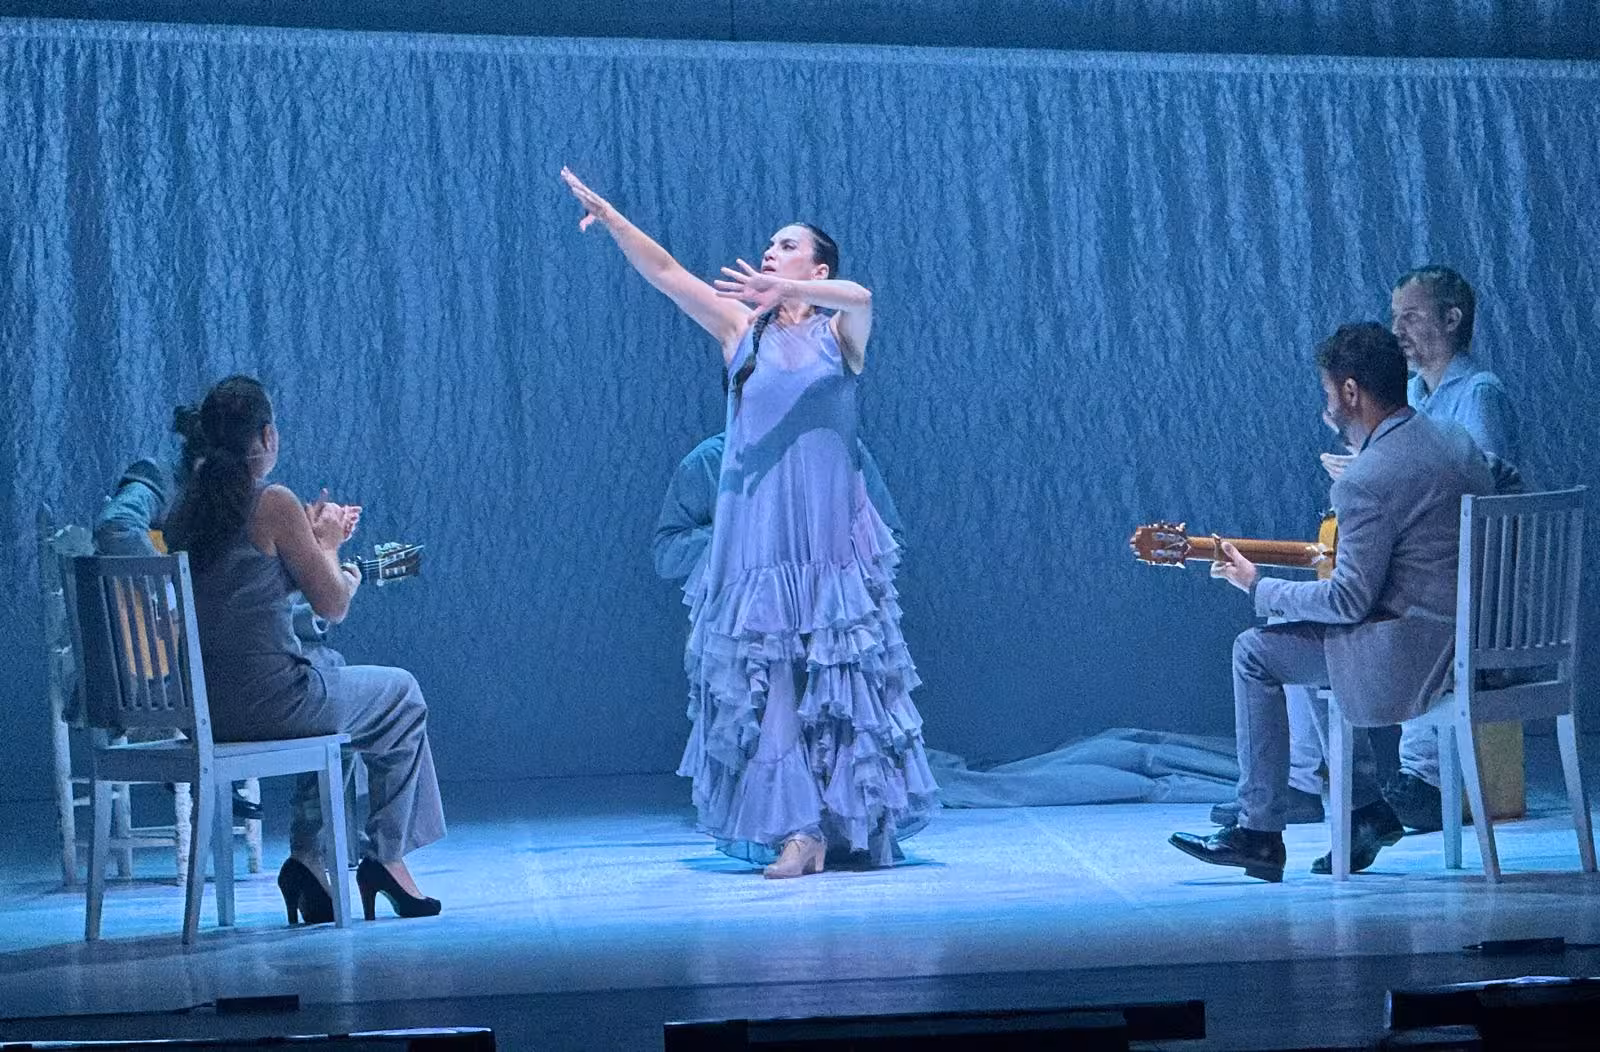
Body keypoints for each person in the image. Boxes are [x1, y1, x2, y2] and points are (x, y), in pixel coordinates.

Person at [561, 167, 937, 878]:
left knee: (838, 670)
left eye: (786, 245)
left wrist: (791, 292)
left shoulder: (839, 333)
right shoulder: (742, 328)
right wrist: (615, 221)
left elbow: (862, 294)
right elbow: (668, 272)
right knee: (774, 676)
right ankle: (798, 830)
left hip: (826, 538)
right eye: (769, 245)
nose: (770, 251)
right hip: (759, 533)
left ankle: (842, 821)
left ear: (815, 265)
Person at [1170, 323, 1493, 881]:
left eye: (1327, 396)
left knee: (1256, 650)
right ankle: (1362, 809)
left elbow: (1347, 600)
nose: (1326, 410)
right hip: (1471, 643)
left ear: (1349, 392)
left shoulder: (1366, 479)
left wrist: (1254, 584)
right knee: (1300, 627)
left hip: (1415, 662)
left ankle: (1260, 833)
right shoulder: (1458, 444)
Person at [164, 375, 445, 921]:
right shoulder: (272, 502)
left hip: (201, 710)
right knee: (402, 696)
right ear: (267, 435)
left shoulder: (188, 510)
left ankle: (310, 862)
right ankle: (387, 857)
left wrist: (310, 544)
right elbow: (332, 605)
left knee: (332, 678)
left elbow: (241, 591)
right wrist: (331, 547)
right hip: (269, 703)